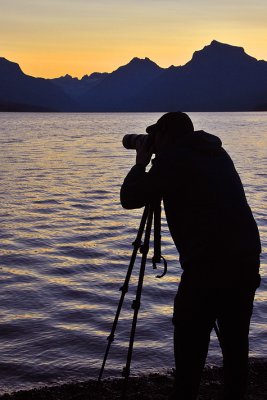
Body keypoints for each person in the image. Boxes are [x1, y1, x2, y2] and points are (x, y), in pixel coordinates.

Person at [120, 112, 261, 400]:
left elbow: (130, 197)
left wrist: (141, 163)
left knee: (189, 344)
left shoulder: (173, 161)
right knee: (235, 345)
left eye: (154, 137)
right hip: (245, 260)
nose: (150, 143)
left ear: (166, 137)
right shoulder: (217, 153)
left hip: (208, 267)